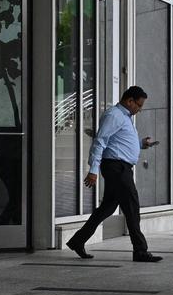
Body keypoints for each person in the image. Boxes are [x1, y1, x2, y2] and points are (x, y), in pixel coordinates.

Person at [66, 86, 163, 262]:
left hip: (120, 168)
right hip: (116, 168)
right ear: (129, 101)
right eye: (138, 105)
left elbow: (119, 142)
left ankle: (77, 241)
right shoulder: (114, 115)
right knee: (132, 207)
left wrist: (142, 144)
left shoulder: (124, 117)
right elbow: (100, 142)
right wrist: (93, 170)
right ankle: (140, 251)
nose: (139, 109)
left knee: (107, 208)